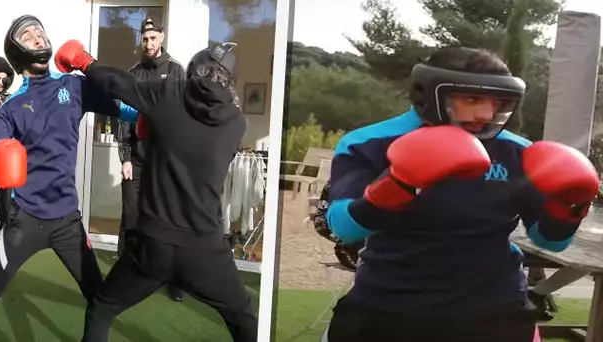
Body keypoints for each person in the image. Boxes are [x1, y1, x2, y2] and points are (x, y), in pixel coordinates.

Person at [323, 47, 599, 342]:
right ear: (430, 94)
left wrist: (568, 209)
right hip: (389, 304)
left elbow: (551, 242)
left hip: (495, 310)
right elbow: (343, 227)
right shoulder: (369, 142)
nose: (486, 113)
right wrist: (397, 183)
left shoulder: (518, 151)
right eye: (472, 99)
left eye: (496, 102)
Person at [54, 40, 257, 342]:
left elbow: (118, 83)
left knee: (102, 308)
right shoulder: (235, 123)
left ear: (193, 70)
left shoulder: (170, 92)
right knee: (243, 319)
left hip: (153, 246)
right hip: (205, 250)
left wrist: (85, 61)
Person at [0, 15, 137, 304]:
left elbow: (130, 108)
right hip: (23, 218)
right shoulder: (8, 110)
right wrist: (4, 213)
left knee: (100, 299)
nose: (38, 36)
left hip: (67, 220)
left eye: (39, 31)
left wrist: (157, 115)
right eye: (28, 35)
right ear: (17, 51)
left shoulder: (73, 86)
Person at [117, 17, 186, 302]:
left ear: (162, 37)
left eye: (153, 38)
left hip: (165, 161)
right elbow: (122, 118)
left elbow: (185, 116)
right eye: (145, 39)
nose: (149, 44)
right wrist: (125, 157)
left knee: (169, 218)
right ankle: (125, 270)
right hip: (138, 159)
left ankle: (174, 277)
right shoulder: (132, 74)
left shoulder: (176, 71)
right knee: (131, 215)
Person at [0, 56, 15, 231]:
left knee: (6, 206)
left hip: (4, 159)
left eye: (4, 79)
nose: (2, 82)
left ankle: (4, 239)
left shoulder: (9, 99)